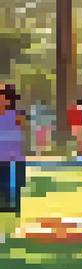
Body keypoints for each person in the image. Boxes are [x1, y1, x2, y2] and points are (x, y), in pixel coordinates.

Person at [0, 85, 28, 234]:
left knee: (14, 192)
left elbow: (23, 126)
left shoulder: (17, 115)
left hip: (14, 160)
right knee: (3, 194)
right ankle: (5, 226)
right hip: (2, 160)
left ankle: (12, 225)